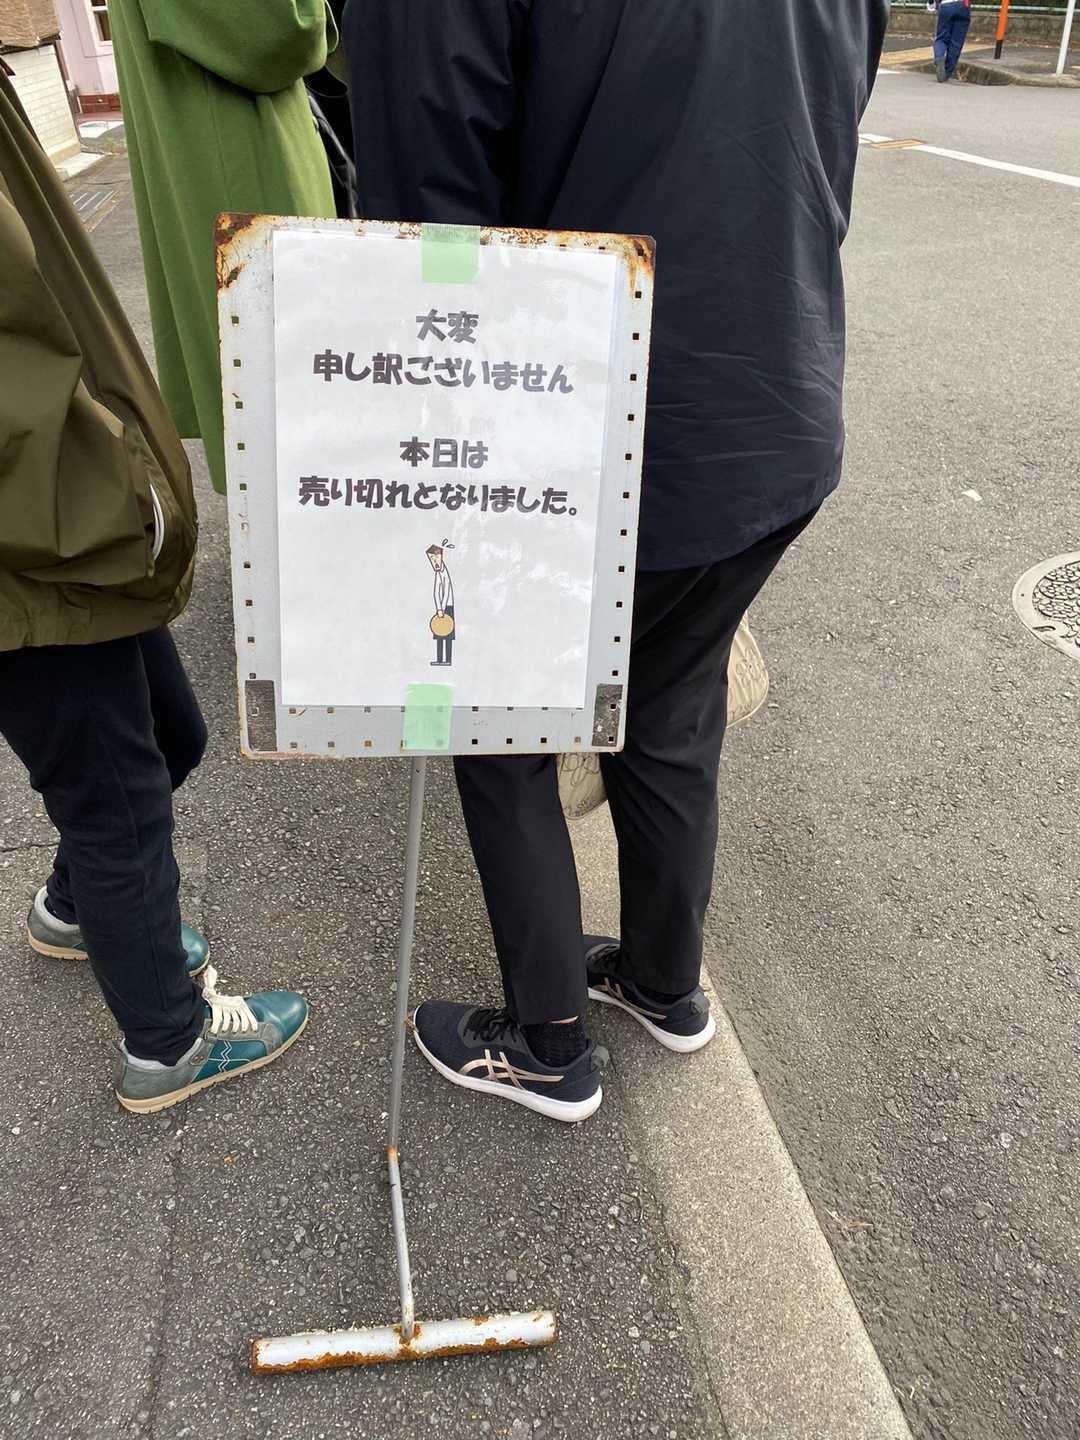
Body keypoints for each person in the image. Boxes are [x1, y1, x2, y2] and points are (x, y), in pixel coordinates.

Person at [344, 0, 887, 1122]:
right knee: (673, 704)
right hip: (776, 409)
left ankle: (546, 1044)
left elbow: (426, 234)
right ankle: (663, 982)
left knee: (501, 728)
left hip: (577, 430)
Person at [0, 62, 307, 1114]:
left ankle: (78, 910)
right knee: (116, 795)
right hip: (37, 536)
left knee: (171, 735)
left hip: (56, 519)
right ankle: (166, 1040)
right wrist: (112, 472)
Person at [107, 0, 338, 493]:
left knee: (267, 411)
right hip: (246, 162)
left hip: (206, 148)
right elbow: (279, 31)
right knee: (295, 401)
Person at [930, 0, 972, 83]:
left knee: (941, 38)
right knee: (956, 43)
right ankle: (947, 72)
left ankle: (939, 56)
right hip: (962, 5)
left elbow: (932, 4)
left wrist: (931, 3)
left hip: (946, 5)